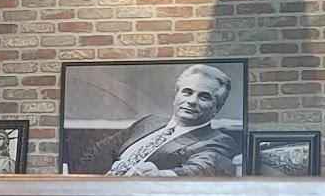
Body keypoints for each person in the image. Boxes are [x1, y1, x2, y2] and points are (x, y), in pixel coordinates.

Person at [77, 64, 239, 177]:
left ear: (217, 108)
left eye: (204, 97)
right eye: (187, 92)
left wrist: (163, 175)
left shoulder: (218, 142)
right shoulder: (149, 123)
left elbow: (202, 168)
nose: (191, 101)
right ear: (176, 97)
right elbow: (99, 152)